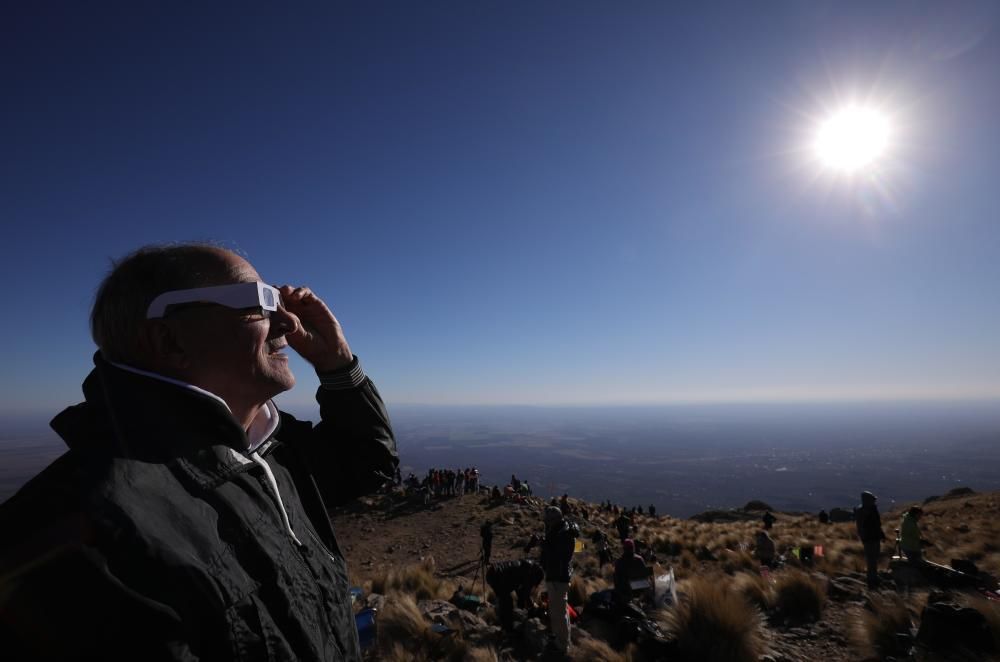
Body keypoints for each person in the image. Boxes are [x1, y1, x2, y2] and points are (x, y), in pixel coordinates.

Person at [0, 244, 398, 660]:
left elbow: (368, 463)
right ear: (169, 340)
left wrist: (338, 363)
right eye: (259, 302)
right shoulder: (81, 539)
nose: (288, 321)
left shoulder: (266, 452)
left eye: (277, 300)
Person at [539, 506, 578, 654]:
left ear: (553, 521)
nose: (546, 523)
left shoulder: (563, 534)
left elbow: (558, 557)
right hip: (559, 577)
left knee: (558, 612)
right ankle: (561, 639)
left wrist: (544, 545)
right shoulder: (562, 531)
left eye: (548, 521)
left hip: (558, 578)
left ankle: (562, 645)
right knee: (560, 610)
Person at [485, 559, 544, 632]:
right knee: (507, 602)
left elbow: (520, 590)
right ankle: (507, 630)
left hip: (493, 572)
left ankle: (505, 626)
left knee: (505, 601)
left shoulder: (524, 566)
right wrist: (531, 607)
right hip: (497, 576)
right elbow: (525, 593)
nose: (534, 585)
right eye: (535, 583)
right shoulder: (528, 573)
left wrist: (523, 604)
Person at [855, 490, 887, 589]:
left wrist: (881, 534)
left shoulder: (871, 509)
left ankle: (873, 577)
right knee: (871, 559)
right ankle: (871, 579)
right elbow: (861, 527)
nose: (874, 501)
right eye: (872, 499)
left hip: (874, 537)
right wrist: (864, 538)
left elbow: (877, 524)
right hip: (869, 538)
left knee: (874, 558)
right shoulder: (862, 511)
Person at [613, 539, 649, 606]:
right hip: (639, 591)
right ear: (633, 548)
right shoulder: (639, 559)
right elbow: (646, 577)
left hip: (625, 592)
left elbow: (616, 580)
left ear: (624, 549)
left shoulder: (619, 562)